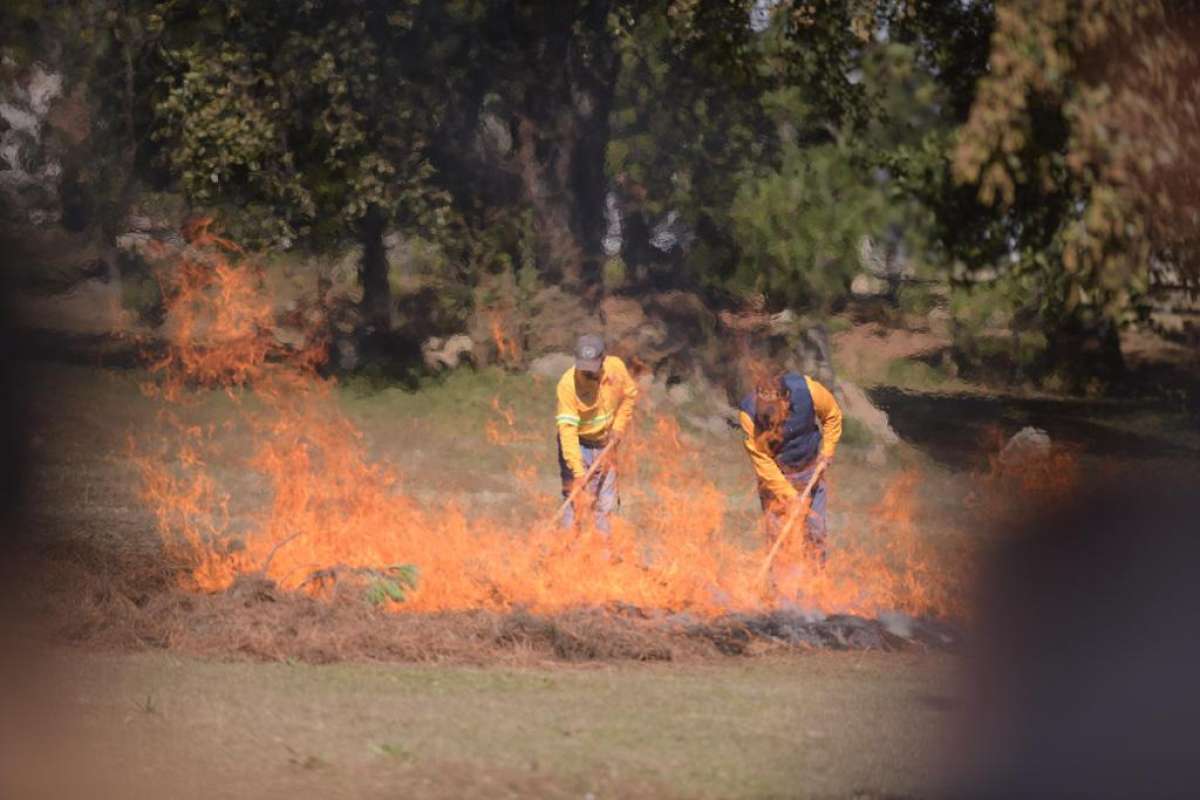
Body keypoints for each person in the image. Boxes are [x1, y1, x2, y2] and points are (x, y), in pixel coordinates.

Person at [738, 370, 842, 557]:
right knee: (780, 541)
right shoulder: (749, 413)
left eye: (772, 410)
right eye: (763, 409)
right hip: (776, 479)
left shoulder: (808, 390)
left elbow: (832, 415)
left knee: (815, 535)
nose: (767, 416)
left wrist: (827, 451)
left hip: (811, 472)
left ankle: (816, 584)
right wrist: (790, 497)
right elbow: (762, 461)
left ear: (785, 400)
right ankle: (781, 586)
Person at [555, 334, 638, 532]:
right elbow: (567, 431)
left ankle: (602, 554)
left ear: (603, 359)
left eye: (592, 368)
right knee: (575, 499)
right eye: (583, 369)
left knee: (604, 502)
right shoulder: (567, 385)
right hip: (578, 445)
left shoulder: (616, 368)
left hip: (605, 443)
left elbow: (629, 395)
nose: (587, 374)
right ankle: (567, 549)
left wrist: (618, 427)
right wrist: (578, 470)